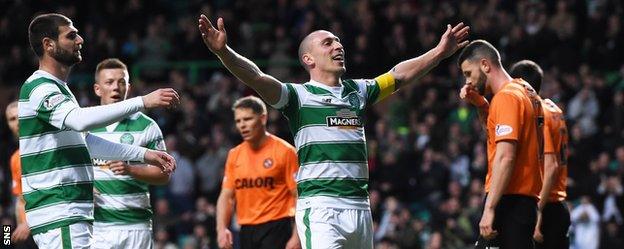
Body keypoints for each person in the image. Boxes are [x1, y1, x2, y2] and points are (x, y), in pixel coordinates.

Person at [199, 14, 469, 249]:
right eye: (328, 42)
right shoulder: (297, 96)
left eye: (339, 41)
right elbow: (256, 77)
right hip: (321, 207)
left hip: (360, 207)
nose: (338, 45)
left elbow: (398, 76)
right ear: (308, 58)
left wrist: (439, 52)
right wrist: (224, 52)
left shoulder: (359, 91)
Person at [20, 13, 178, 248]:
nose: (81, 39)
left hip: (81, 214)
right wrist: (142, 101)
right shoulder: (39, 87)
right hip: (62, 210)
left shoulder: (60, 90)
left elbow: (85, 141)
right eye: (71, 35)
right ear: (48, 44)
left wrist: (144, 155)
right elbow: (80, 121)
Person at [457, 40, 543, 249]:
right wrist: (481, 104)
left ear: (485, 65)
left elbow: (506, 156)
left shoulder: (506, 98)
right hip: (523, 201)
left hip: (509, 201)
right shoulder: (526, 90)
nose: (468, 81)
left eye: (468, 73)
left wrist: (490, 208)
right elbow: (494, 136)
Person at [88, 58, 170, 248]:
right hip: (96, 226)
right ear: (97, 89)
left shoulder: (147, 126)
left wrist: (130, 170)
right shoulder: (85, 125)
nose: (116, 87)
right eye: (109, 82)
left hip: (136, 226)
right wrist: (83, 188)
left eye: (122, 82)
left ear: (129, 87)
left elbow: (164, 175)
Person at [217, 96, 300, 249]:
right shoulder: (234, 155)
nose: (242, 125)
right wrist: (222, 229)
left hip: (278, 226)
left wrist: (297, 235)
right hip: (246, 229)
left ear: (262, 118)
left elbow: (299, 196)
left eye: (247, 119)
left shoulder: (285, 152)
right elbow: (226, 196)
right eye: (238, 121)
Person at [509, 60, 570, 249]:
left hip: (545, 207)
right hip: (557, 205)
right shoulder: (554, 109)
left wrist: (538, 212)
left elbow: (550, 167)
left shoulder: (539, 113)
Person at [6, 101, 37, 248]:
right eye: (12, 119)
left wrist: (28, 224)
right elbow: (20, 199)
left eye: (20, 116)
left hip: (46, 225)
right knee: (6, 235)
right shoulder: (14, 158)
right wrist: (21, 225)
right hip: (12, 215)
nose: (17, 122)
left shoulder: (45, 148)